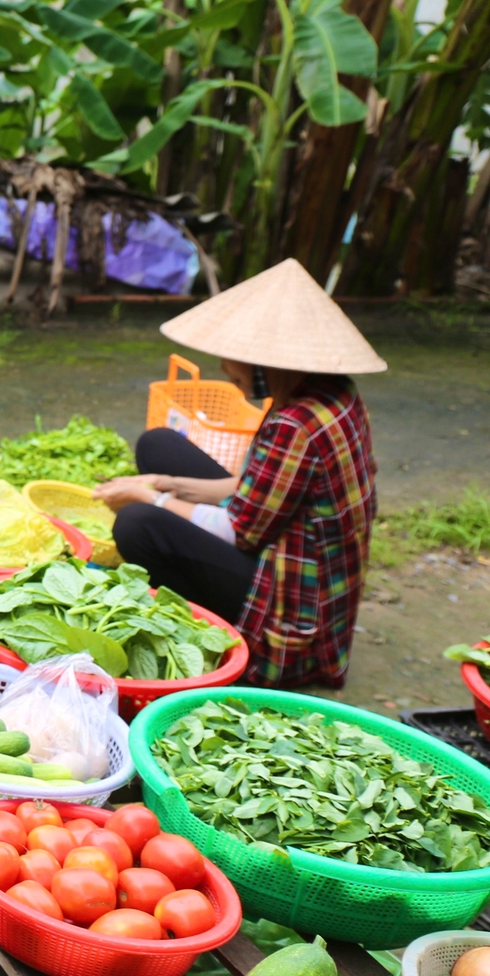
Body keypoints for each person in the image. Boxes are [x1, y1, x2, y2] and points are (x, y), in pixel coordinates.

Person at [94, 260, 384, 689]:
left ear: (268, 363)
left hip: (294, 600)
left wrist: (148, 500)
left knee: (138, 525)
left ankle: (206, 637)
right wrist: (168, 485)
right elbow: (256, 488)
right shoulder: (331, 391)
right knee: (159, 444)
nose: (225, 366)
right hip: (292, 546)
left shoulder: (295, 424)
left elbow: (242, 531)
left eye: (235, 357)